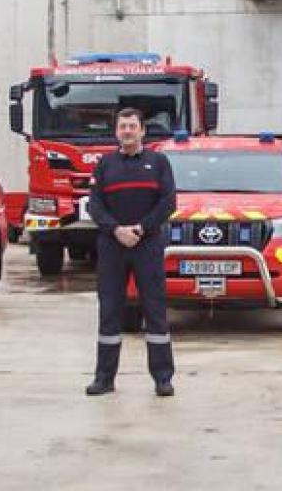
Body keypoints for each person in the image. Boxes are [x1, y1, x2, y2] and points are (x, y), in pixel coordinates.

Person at [85, 108, 179, 397]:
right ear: (116, 132)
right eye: (122, 126)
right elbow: (94, 205)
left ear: (142, 131)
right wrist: (116, 230)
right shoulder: (105, 165)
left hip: (147, 244)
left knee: (155, 310)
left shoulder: (159, 162)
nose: (127, 131)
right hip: (112, 246)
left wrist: (141, 228)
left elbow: (168, 202)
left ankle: (162, 378)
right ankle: (104, 378)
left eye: (132, 126)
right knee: (110, 310)